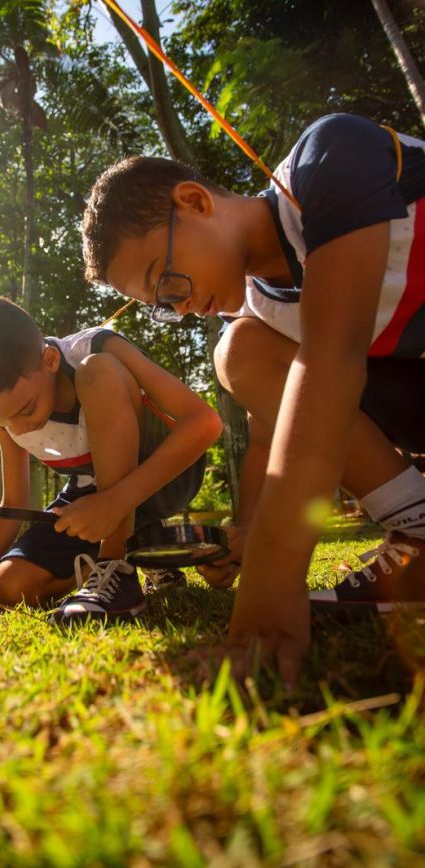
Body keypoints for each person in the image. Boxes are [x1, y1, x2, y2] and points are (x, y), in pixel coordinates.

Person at [81, 112, 425, 685]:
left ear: (193, 200)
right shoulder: (259, 311)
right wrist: (248, 532)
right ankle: (418, 524)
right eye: (162, 305)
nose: (180, 307)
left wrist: (270, 595)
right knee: (238, 352)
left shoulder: (327, 160)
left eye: (167, 282)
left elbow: (331, 364)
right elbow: (275, 431)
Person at [0, 296, 222, 623]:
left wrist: (115, 502)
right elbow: (13, 501)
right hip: (91, 492)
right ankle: (140, 553)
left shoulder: (95, 349)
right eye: (2, 421)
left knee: (99, 369)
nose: (20, 429)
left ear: (50, 361)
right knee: (11, 584)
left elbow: (204, 422)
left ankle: (116, 567)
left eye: (25, 410)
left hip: (166, 476)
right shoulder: (11, 417)